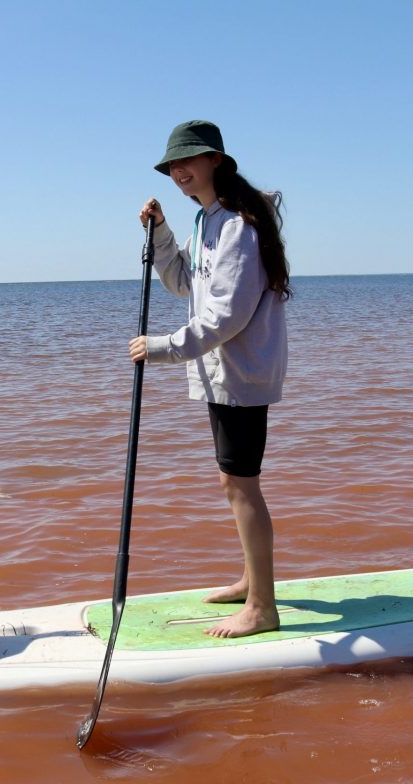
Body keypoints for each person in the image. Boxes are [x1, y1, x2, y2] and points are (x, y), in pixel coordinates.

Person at [129, 120, 292, 638]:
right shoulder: (206, 221)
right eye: (172, 165)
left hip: (241, 373)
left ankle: (262, 607)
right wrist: (160, 232)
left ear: (216, 159)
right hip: (220, 374)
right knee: (234, 482)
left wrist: (161, 349)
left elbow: (227, 316)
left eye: (188, 160)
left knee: (242, 487)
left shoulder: (241, 225)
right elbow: (183, 283)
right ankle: (251, 581)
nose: (179, 171)